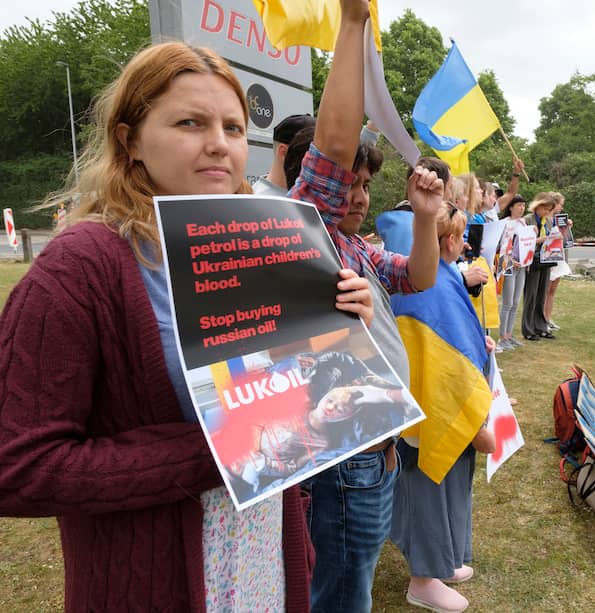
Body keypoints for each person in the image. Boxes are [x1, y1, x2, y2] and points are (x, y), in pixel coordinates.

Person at [0, 26, 374, 613]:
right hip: (151, 584)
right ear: (130, 141)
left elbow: (293, 402)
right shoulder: (81, 268)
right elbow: (18, 467)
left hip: (263, 573)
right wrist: (219, 454)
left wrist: (344, 329)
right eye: (189, 124)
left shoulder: (257, 244)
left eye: (231, 128)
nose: (219, 145)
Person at [279, 22, 443, 612]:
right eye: (348, 184)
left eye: (367, 186)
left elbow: (418, 277)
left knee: (354, 584)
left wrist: (426, 217)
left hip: (374, 449)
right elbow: (334, 150)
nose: (358, 197)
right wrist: (352, 22)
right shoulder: (308, 232)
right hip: (345, 455)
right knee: (345, 595)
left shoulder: (355, 247)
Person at [390, 201, 496, 613]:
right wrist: (475, 426)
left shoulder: (439, 274)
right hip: (432, 408)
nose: (465, 243)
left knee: (450, 485)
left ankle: (445, 561)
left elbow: (455, 336)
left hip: (439, 403)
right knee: (429, 490)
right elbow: (438, 364)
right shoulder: (427, 282)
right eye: (461, 235)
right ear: (449, 240)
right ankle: (423, 578)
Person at [521, 193, 558, 340]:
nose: (547, 212)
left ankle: (541, 327)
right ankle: (528, 329)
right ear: (538, 206)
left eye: (549, 210)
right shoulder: (527, 220)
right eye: (545, 209)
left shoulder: (547, 221)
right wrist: (538, 240)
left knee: (541, 295)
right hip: (531, 261)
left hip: (545, 260)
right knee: (531, 295)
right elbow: (522, 242)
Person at [253, 112, 313, 195]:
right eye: (309, 152)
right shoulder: (256, 201)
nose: (315, 160)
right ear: (284, 152)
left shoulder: (311, 197)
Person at [496, 194, 528, 351]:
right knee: (507, 303)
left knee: (515, 303)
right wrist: (509, 261)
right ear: (511, 207)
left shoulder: (523, 223)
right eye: (519, 205)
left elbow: (526, 243)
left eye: (523, 205)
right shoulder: (506, 224)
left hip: (522, 266)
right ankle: (502, 337)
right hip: (508, 266)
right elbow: (503, 246)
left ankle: (509, 334)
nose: (522, 208)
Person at [544, 191, 571, 330]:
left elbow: (564, 238)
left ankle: (548, 318)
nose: (562, 208)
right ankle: (542, 318)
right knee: (546, 289)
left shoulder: (560, 219)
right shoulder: (547, 218)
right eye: (561, 205)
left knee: (552, 290)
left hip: (558, 254)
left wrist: (567, 228)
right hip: (548, 255)